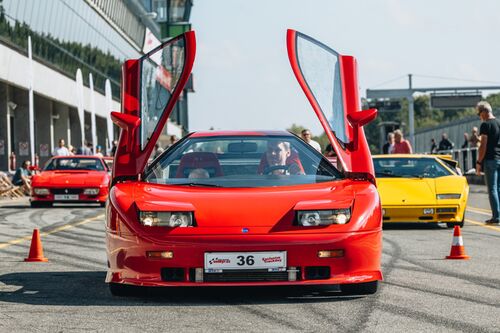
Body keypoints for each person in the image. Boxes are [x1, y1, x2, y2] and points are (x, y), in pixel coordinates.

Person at [475, 101, 500, 225]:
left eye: (479, 113)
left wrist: (479, 162)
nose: (479, 116)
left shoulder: (485, 125)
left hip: (491, 160)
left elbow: (483, 145)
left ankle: (496, 217)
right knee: (499, 188)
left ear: (484, 112)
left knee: (492, 189)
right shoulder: (499, 122)